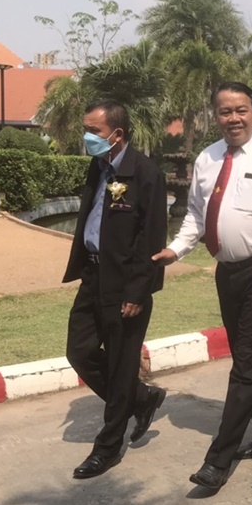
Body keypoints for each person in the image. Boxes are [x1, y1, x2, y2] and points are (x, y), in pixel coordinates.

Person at [153, 82, 252, 491]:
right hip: (228, 273)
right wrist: (176, 250)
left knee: (247, 364)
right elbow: (196, 215)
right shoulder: (207, 158)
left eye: (241, 110)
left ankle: (218, 459)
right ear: (215, 116)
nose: (234, 118)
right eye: (225, 111)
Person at [64, 100, 168, 479]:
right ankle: (141, 398)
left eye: (94, 131)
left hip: (125, 285)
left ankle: (107, 447)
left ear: (117, 134)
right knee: (79, 351)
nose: (88, 137)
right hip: (93, 277)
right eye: (87, 129)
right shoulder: (99, 166)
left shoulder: (146, 174)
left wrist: (137, 292)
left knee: (122, 365)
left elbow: (152, 238)